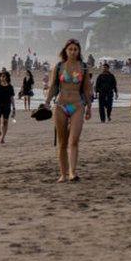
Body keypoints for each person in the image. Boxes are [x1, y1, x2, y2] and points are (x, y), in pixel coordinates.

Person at [44, 39, 92, 183]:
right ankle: (63, 174)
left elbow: (87, 89)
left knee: (74, 140)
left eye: (75, 49)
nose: (72, 52)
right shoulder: (59, 67)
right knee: (62, 142)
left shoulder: (83, 67)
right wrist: (46, 102)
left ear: (79, 51)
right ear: (65, 51)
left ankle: (72, 172)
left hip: (77, 105)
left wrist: (89, 107)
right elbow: (53, 87)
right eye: (70, 49)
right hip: (60, 105)